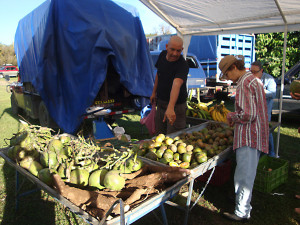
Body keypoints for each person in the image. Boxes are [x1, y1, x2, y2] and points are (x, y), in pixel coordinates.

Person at [219, 55, 269, 222]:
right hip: (256, 134)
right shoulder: (252, 80)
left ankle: (241, 212)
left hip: (249, 136)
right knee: (246, 174)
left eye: (226, 74)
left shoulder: (244, 83)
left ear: (234, 67)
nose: (227, 79)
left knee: (244, 177)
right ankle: (243, 206)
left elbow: (248, 114)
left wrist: (232, 116)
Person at [150, 36, 189, 135]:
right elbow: (159, 74)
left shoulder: (183, 65)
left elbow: (176, 84)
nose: (175, 54)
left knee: (173, 137)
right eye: (172, 49)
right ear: (167, 47)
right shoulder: (162, 55)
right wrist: (154, 92)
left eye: (178, 51)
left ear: (182, 50)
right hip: (161, 103)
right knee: (160, 135)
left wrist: (171, 107)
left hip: (176, 107)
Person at [250, 61, 277, 157]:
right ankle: (259, 152)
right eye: (250, 71)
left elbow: (273, 94)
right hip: (252, 110)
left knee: (266, 131)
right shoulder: (250, 78)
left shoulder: (269, 79)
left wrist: (260, 91)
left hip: (265, 110)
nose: (252, 74)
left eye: (255, 72)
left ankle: (271, 153)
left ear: (261, 70)